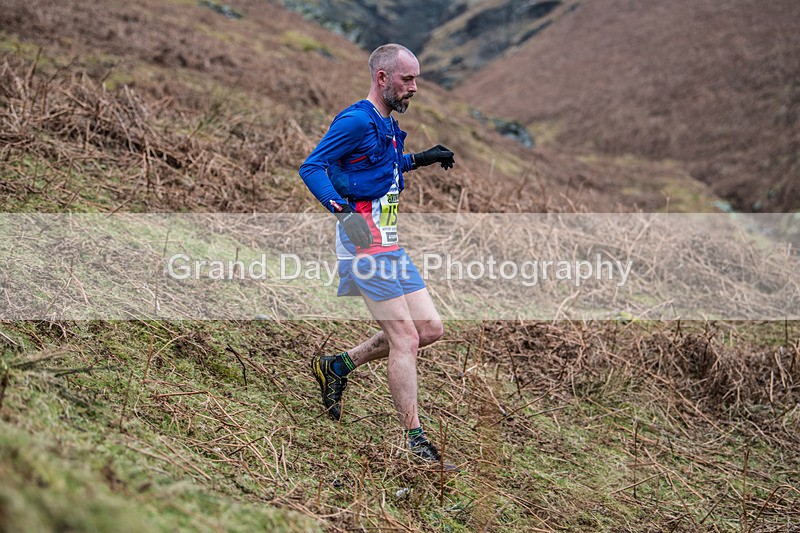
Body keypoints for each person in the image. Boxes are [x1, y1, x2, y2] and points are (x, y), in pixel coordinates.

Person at [299, 43, 455, 463]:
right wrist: (343, 213)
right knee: (404, 338)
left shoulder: (383, 123)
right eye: (407, 79)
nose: (415, 88)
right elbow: (312, 167)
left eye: (416, 79)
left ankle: (337, 366)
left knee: (429, 330)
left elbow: (377, 166)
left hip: (388, 243)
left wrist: (422, 158)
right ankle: (415, 442)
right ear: (382, 78)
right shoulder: (354, 120)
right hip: (363, 242)